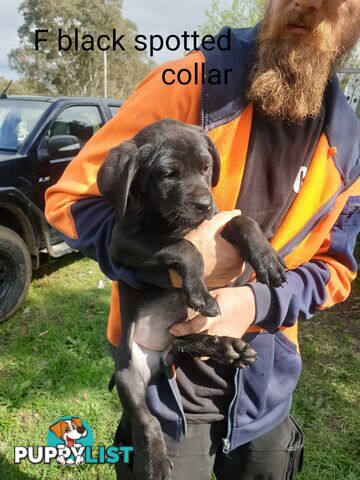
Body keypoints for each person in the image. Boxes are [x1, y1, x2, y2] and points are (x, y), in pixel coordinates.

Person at [45, 0, 360, 478]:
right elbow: (72, 201)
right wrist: (172, 261)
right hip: (166, 388)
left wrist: (255, 305)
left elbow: (335, 269)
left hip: (265, 388)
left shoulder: (350, 143)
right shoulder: (190, 79)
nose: (308, 2)